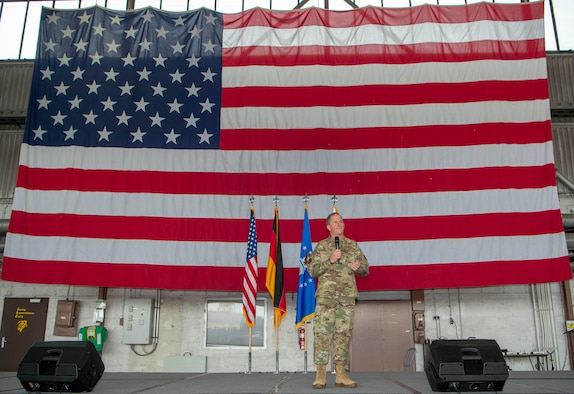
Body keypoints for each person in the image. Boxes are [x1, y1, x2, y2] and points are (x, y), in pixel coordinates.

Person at [307, 212, 369, 389]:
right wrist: (330, 260)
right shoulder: (321, 246)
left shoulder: (352, 245)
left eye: (341, 221)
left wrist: (359, 268)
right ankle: (320, 375)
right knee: (322, 335)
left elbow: (366, 269)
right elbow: (313, 270)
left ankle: (341, 374)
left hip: (346, 298)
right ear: (328, 227)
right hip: (326, 298)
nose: (339, 224)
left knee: (343, 335)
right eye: (335, 222)